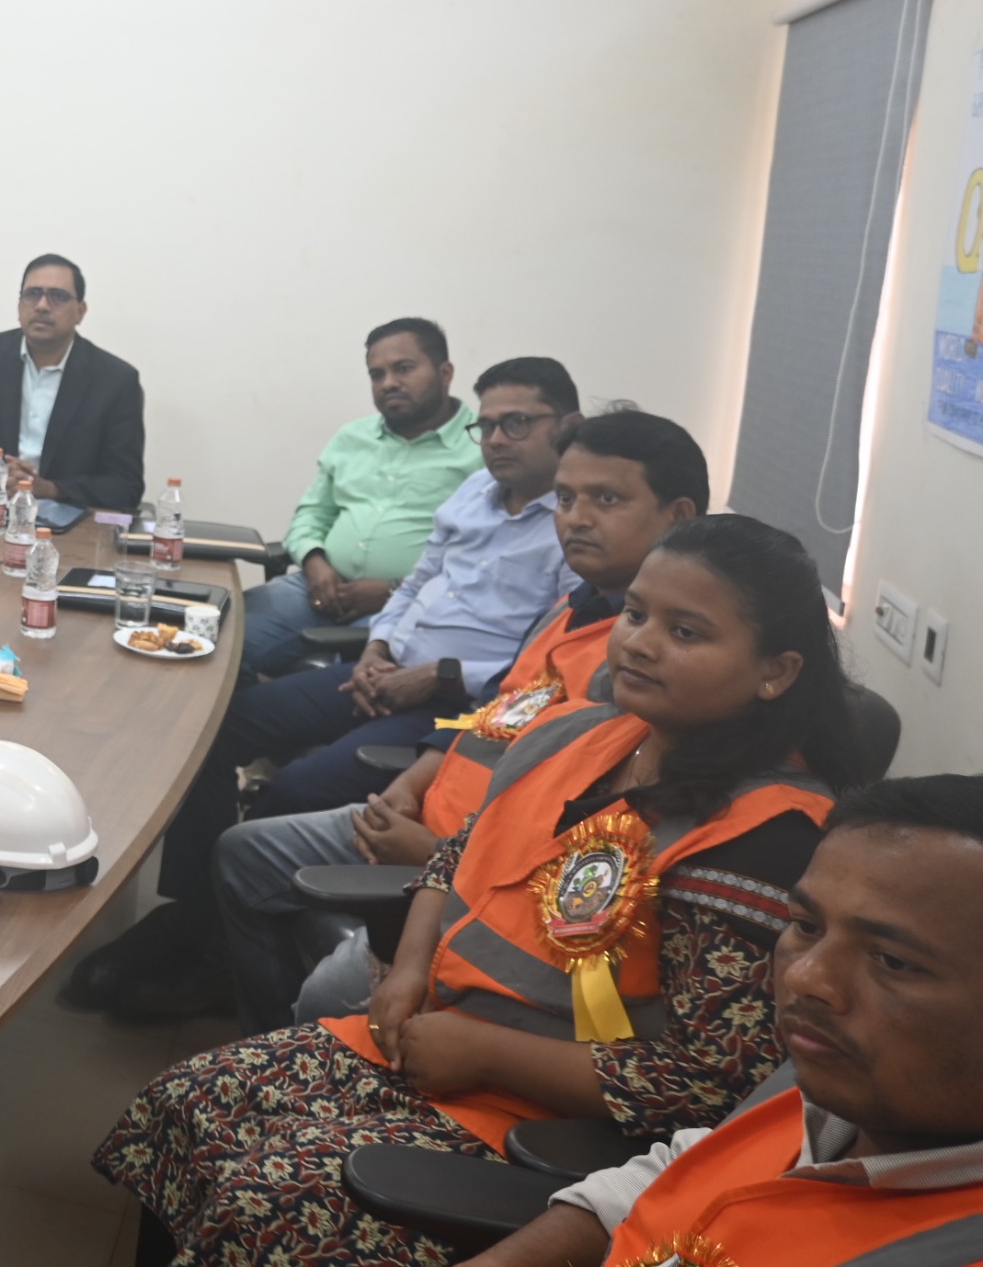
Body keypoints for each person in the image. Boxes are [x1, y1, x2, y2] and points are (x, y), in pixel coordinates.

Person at [95, 514, 863, 1267]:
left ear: (775, 671)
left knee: (264, 1203)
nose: (640, 642)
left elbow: (706, 1087)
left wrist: (488, 1053)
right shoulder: (576, 734)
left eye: (686, 632)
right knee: (186, 1102)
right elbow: (461, 854)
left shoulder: (765, 842)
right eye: (636, 614)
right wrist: (407, 970)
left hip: (550, 1119)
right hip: (435, 1037)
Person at [72, 358, 580, 1017]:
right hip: (385, 669)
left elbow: (541, 668)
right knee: (213, 727)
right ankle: (193, 911)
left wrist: (437, 675)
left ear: (567, 425)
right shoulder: (475, 493)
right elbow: (418, 583)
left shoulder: (571, 527)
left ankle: (215, 957)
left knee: (291, 790)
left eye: (517, 423)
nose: (497, 440)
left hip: (457, 706)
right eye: (487, 427)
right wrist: (376, 649)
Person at [215, 409, 710, 1035]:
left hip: (474, 869)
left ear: (678, 516)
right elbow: (495, 712)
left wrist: (434, 854)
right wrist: (411, 785)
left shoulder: (642, 664)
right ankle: (266, 1039)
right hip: (429, 819)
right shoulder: (572, 605)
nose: (575, 518)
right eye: (565, 498)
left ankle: (301, 1055)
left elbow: (577, 836)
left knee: (326, 993)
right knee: (243, 851)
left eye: (606, 499)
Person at [473, 774, 983, 1267]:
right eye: (806, 926)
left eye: (892, 961)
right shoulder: (834, 1085)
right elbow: (685, 1171)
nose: (805, 976)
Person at [244, 318, 480, 680]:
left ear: (444, 373)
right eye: (376, 374)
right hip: (318, 589)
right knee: (218, 640)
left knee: (350, 683)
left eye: (403, 369)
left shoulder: (483, 448)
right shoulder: (352, 438)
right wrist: (315, 563)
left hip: (414, 606)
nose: (389, 383)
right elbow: (310, 516)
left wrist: (394, 590)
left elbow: (484, 559)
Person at [0, 253, 145, 510]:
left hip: (66, 518)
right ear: (19, 304)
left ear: (80, 312)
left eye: (58, 296)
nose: (42, 305)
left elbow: (124, 485)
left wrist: (50, 489)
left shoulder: (115, 381)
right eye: (32, 294)